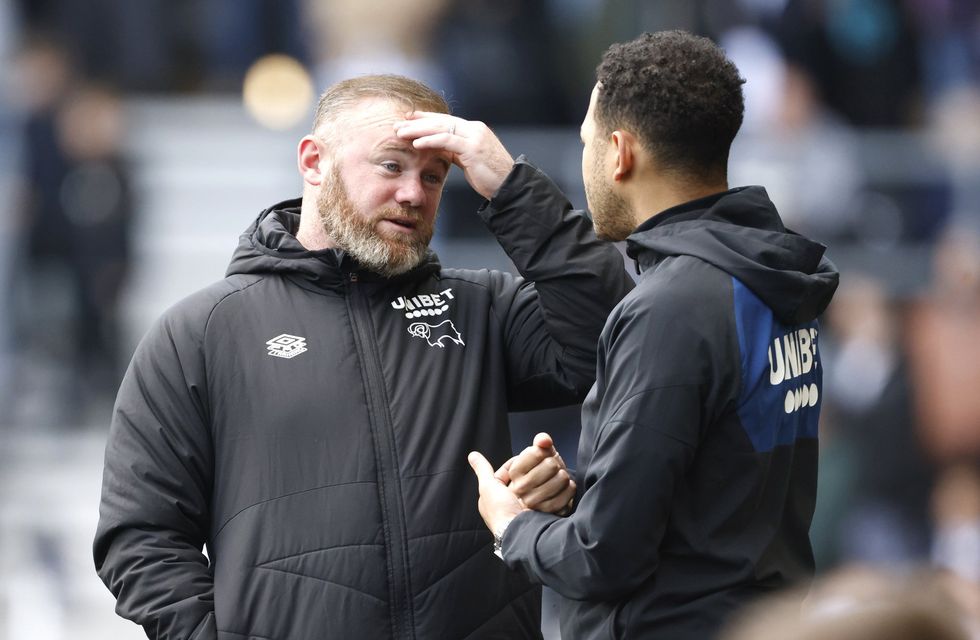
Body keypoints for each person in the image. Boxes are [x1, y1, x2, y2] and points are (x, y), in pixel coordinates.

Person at [93, 74, 633, 639]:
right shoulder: (201, 331)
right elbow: (141, 536)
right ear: (313, 162)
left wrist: (512, 188)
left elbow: (619, 340)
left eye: (434, 175)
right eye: (391, 166)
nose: (414, 194)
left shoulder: (482, 306)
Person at [468, 30, 840, 639]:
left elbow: (604, 557)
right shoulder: (771, 278)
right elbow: (711, 496)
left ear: (619, 153)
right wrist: (579, 495)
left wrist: (515, 527)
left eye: (587, 142)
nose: (585, 160)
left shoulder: (674, 308)